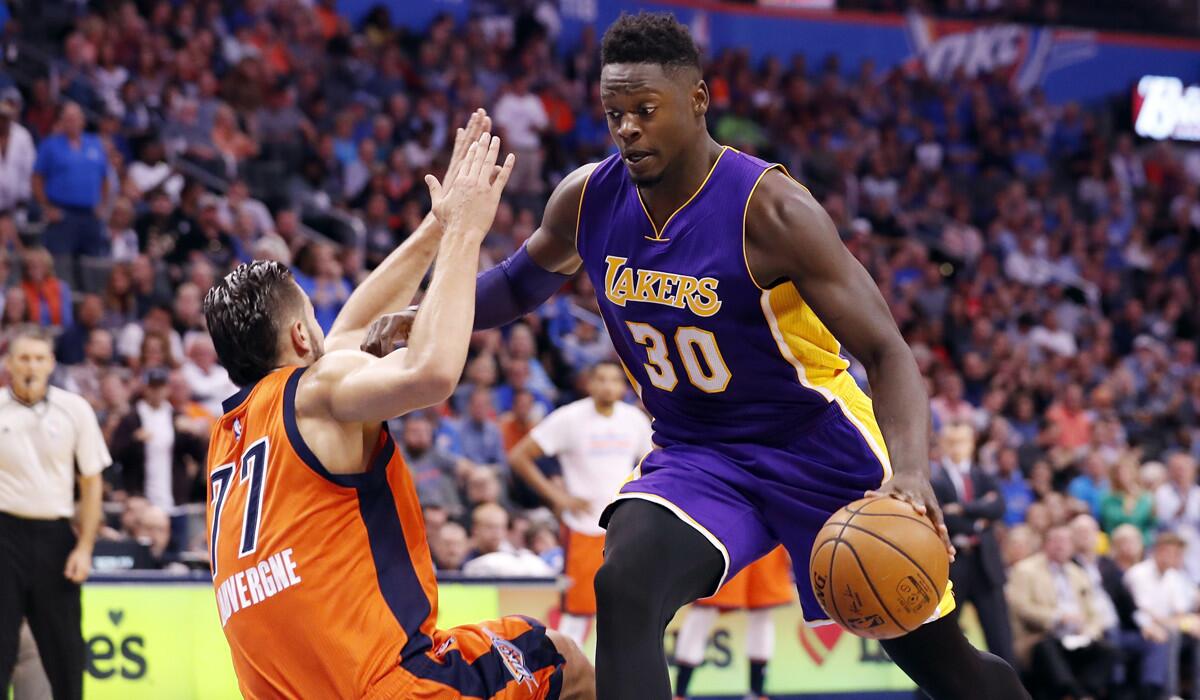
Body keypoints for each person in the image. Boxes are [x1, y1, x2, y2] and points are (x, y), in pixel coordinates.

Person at [371, 14, 1028, 700]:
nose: (626, 128)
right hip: (699, 453)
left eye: (645, 110)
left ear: (698, 100)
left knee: (948, 670)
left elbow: (886, 351)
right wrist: (426, 319)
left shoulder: (772, 211)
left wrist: (914, 474)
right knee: (623, 583)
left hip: (817, 447)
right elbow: (519, 281)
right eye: (613, 112)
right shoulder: (588, 197)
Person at [203, 115, 592, 699]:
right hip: (388, 685)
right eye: (314, 317)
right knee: (564, 658)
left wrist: (432, 228)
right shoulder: (315, 392)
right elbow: (432, 372)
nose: (328, 330)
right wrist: (464, 231)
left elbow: (355, 328)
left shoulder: (231, 437)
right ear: (303, 342)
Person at [508, 360, 653, 648]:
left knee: (623, 610)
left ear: (624, 386)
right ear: (589, 383)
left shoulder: (634, 419)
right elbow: (518, 456)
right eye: (601, 378)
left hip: (625, 527)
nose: (608, 385)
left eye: (615, 380)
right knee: (577, 613)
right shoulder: (570, 417)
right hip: (583, 528)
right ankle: (569, 679)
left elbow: (652, 462)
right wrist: (557, 496)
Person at [0, 327, 112, 700]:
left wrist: (84, 548)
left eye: (38, 358)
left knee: (66, 654)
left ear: (50, 364)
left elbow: (91, 483)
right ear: (9, 363)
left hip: (55, 538)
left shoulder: (74, 409)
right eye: (23, 358)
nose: (31, 365)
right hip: (4, 535)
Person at [930, 422, 1015, 664]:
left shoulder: (982, 475)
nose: (959, 447)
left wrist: (963, 508)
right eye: (953, 441)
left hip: (985, 562)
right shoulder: (935, 479)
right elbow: (942, 516)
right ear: (944, 444)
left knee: (1000, 637)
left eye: (964, 441)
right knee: (943, 637)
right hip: (954, 562)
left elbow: (998, 507)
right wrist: (978, 521)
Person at [1005, 526, 1115, 700]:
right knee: (1047, 648)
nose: (1060, 546)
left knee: (1108, 651)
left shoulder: (1078, 573)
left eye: (1065, 541)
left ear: (1072, 546)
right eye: (1055, 541)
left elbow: (1094, 614)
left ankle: (1087, 694)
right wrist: (1057, 617)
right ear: (1045, 544)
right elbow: (1020, 607)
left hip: (1076, 638)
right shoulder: (1025, 570)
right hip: (1039, 636)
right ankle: (1073, 694)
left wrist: (1090, 631)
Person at [672, 547, 793, 700]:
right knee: (704, 607)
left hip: (768, 535)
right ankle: (679, 693)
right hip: (730, 533)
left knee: (762, 610)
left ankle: (757, 692)